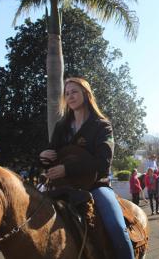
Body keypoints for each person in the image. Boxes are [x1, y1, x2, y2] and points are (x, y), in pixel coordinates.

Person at [39, 77, 134, 259]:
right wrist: (44, 157)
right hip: (62, 188)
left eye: (74, 91)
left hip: (96, 186)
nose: (70, 96)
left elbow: (103, 163)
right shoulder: (61, 127)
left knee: (117, 228)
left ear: (86, 94)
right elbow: (53, 154)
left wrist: (67, 169)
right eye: (67, 94)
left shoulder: (102, 126)